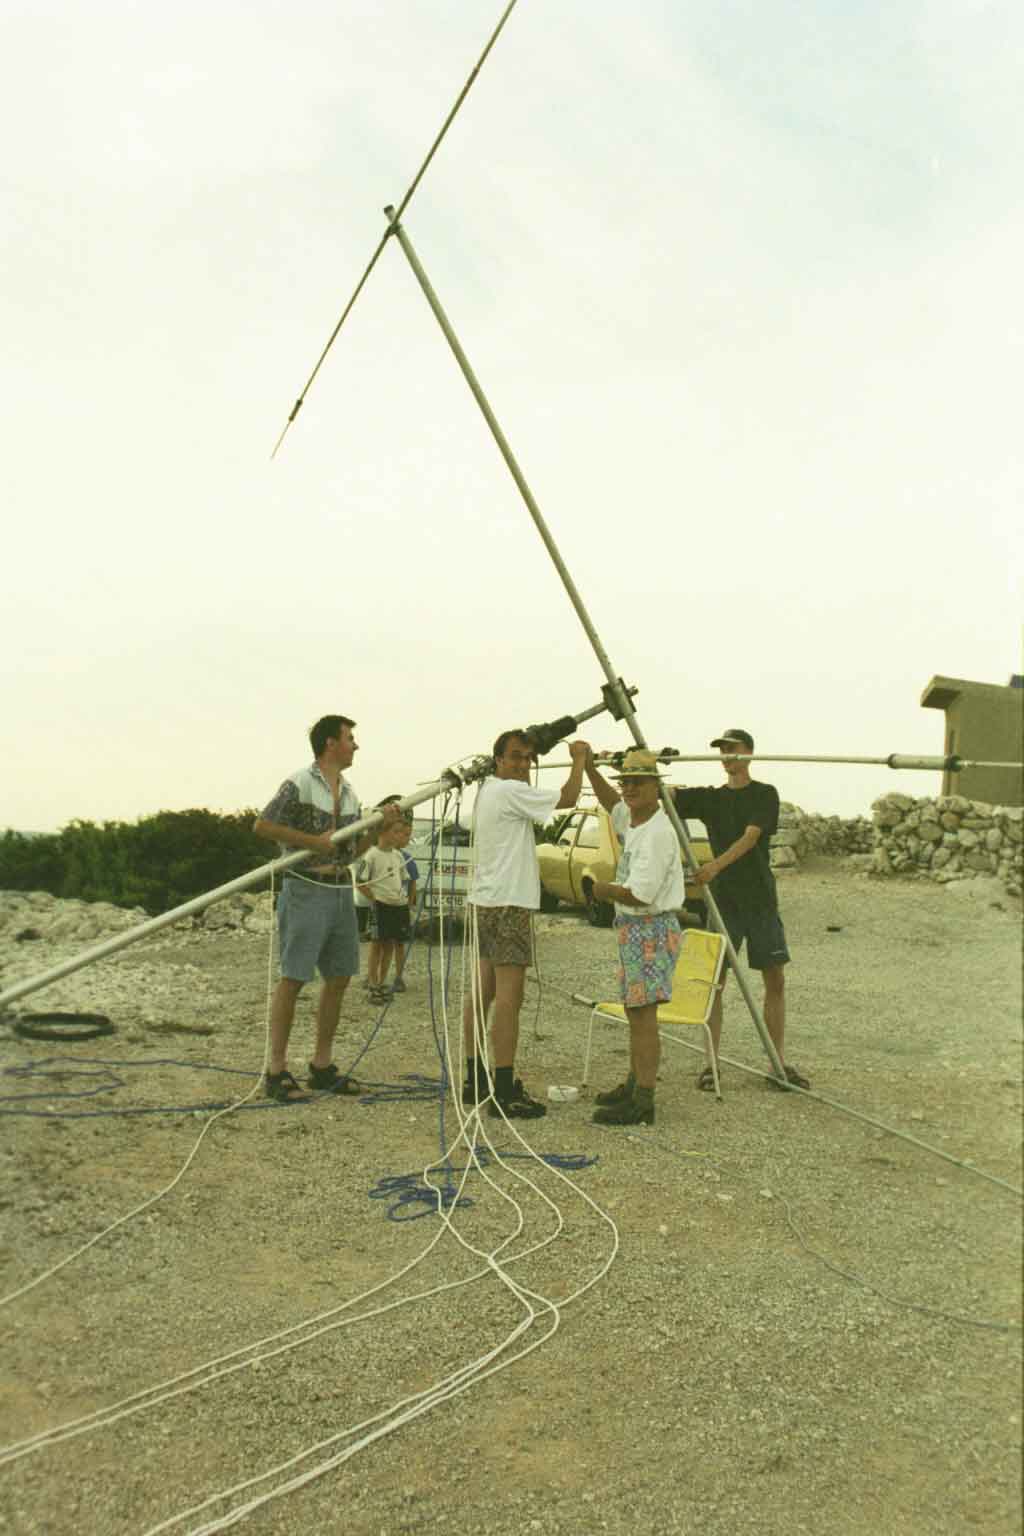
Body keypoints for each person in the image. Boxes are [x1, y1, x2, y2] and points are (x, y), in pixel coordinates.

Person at [253, 714, 401, 1103]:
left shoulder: (349, 793)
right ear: (330, 743)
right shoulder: (300, 782)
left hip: (339, 891)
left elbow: (351, 853)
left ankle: (321, 1065)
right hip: (305, 888)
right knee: (294, 977)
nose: (356, 745)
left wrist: (376, 829)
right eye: (350, 738)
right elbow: (263, 826)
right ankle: (276, 1070)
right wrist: (311, 842)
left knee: (339, 977)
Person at [462, 730, 590, 1119]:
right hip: (510, 904)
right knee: (509, 999)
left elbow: (533, 795)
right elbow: (568, 799)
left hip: (486, 900)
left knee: (482, 993)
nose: (522, 764)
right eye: (515, 756)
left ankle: (474, 1079)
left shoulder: (489, 791)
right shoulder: (510, 791)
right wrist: (579, 760)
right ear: (498, 759)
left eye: (528, 758)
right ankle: (503, 1091)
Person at [672, 728, 809, 1091]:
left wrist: (714, 867)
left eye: (732, 748)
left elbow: (750, 838)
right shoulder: (711, 798)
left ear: (748, 752)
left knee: (775, 979)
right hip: (724, 903)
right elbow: (665, 795)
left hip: (760, 900)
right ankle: (710, 1065)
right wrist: (648, 767)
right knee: (714, 982)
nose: (726, 755)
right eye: (722, 750)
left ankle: (777, 1063)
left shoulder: (765, 794)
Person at [584, 748, 684, 1126]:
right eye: (626, 782)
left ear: (655, 787)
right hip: (635, 930)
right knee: (635, 1009)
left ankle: (643, 1099)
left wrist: (602, 890)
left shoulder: (657, 833)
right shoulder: (636, 819)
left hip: (650, 929)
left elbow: (640, 894)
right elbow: (613, 805)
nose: (629, 789)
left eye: (638, 783)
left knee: (643, 1014)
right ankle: (635, 1083)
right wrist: (589, 768)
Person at [357, 814, 412, 1003]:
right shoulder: (371, 855)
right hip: (381, 906)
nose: (399, 836)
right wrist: (375, 898)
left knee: (389, 945)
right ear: (382, 832)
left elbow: (403, 879)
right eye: (395, 832)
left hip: (398, 905)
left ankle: (382, 982)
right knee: (376, 945)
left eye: (400, 832)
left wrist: (403, 897)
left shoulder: (398, 855)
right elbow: (360, 881)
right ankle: (372, 983)